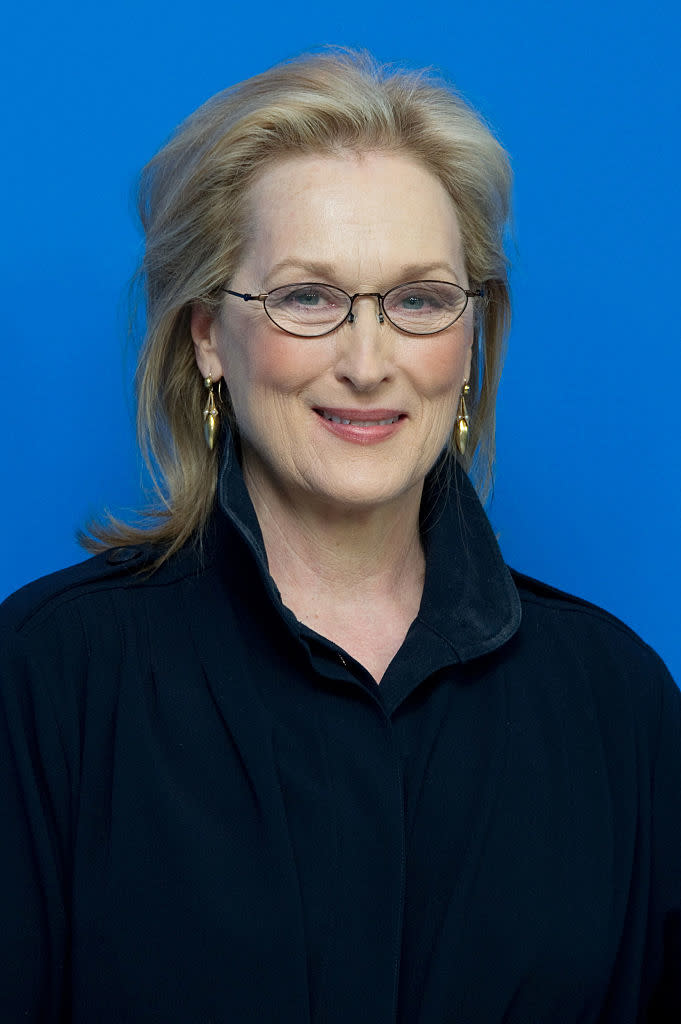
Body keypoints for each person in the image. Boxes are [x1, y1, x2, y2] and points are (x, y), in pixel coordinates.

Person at [1, 49, 679, 1023]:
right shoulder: (44, 681)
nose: (368, 362)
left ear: (471, 334)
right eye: (306, 297)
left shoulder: (623, 709)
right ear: (206, 337)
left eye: (418, 299)